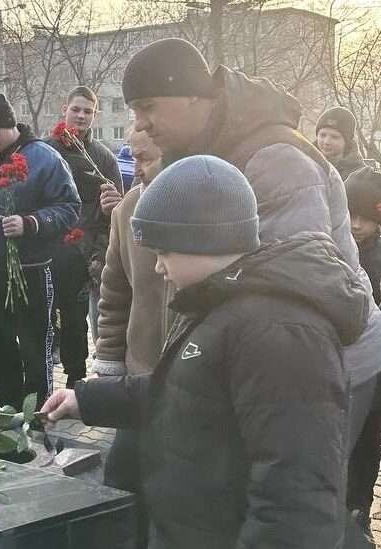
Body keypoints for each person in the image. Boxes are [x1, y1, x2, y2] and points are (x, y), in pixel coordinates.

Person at [43, 155, 359, 549]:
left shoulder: (279, 333)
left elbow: (296, 498)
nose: (157, 268)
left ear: (202, 240)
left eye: (163, 252)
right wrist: (87, 399)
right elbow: (184, 390)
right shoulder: (220, 303)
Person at [121, 38, 381, 474]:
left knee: (297, 489)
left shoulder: (275, 160)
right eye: (133, 111)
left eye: (147, 107)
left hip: (329, 357)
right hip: (263, 354)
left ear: (192, 94)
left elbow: (297, 295)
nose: (141, 124)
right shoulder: (206, 150)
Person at [0, 91, 80, 410]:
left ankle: (38, 415)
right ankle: (8, 413)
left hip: (32, 272)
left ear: (9, 126)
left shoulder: (45, 158)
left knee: (35, 350)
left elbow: (69, 207)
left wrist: (30, 223)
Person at [92, 129, 165, 546]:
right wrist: (109, 361)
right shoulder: (127, 211)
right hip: (138, 378)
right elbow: (115, 293)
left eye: (147, 158)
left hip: (191, 383)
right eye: (133, 158)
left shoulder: (202, 209)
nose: (136, 169)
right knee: (121, 480)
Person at [45, 86, 122, 388]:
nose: (81, 116)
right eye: (75, 109)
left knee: (75, 322)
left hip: (80, 255)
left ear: (95, 115)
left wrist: (97, 255)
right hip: (44, 251)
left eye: (87, 111)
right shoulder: (44, 152)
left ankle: (75, 379)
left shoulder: (103, 159)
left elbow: (112, 216)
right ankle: (40, 381)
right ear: (64, 109)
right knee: (41, 319)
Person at [344, 166, 381, 534]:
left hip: (375, 374)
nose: (356, 224)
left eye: (366, 217)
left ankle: (359, 509)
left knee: (368, 446)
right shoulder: (334, 251)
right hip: (340, 369)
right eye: (350, 214)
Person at [315, 107, 367, 181]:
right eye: (322, 135)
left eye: (334, 137)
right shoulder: (305, 163)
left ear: (347, 142)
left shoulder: (361, 175)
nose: (326, 142)